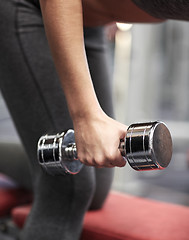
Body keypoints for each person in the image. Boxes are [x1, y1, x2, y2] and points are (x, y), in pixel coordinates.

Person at [0, 0, 188, 239]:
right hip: (32, 6)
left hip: (88, 23)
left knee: (95, 186)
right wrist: (85, 116)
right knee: (68, 187)